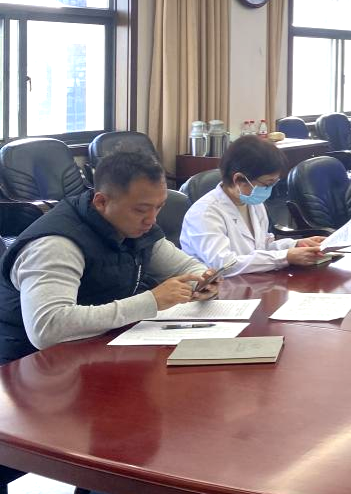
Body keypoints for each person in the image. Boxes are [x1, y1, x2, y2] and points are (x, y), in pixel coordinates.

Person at [0, 149, 222, 366]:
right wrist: (151, 301)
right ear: (101, 202)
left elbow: (185, 267)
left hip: (97, 350)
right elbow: (47, 328)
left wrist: (201, 281)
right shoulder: (57, 244)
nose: (152, 220)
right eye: (141, 210)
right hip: (30, 366)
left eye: (158, 207)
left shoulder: (135, 228)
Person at [180, 135, 326, 275]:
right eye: (267, 183)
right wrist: (285, 257)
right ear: (238, 179)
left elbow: (263, 247)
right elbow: (224, 265)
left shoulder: (252, 202)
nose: (270, 189)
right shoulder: (204, 213)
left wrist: (296, 245)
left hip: (253, 281)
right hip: (219, 287)